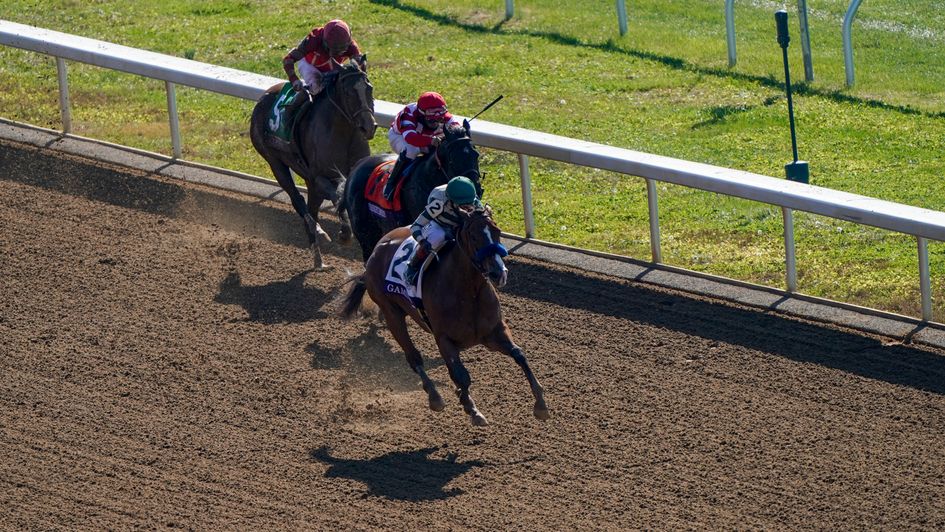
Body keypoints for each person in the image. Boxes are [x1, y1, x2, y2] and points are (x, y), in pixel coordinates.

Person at [383, 91, 462, 201]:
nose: (436, 120)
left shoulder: (444, 116)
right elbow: (410, 137)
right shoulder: (409, 114)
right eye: (431, 116)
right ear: (421, 113)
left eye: (439, 115)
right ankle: (392, 183)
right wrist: (430, 141)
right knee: (411, 150)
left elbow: (456, 128)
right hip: (400, 136)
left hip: (426, 137)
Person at [403, 176, 483, 285]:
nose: (467, 207)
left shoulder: (475, 203)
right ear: (450, 200)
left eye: (469, 203)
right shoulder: (439, 203)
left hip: (461, 225)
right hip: (439, 224)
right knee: (437, 236)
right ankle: (412, 266)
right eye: (462, 204)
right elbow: (416, 226)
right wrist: (422, 241)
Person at [282, 19, 362, 111]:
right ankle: (291, 112)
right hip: (309, 65)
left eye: (342, 50)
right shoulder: (314, 38)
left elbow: (360, 70)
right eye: (332, 49)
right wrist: (294, 79)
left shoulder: (352, 47)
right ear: (324, 41)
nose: (335, 54)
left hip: (333, 69)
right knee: (317, 86)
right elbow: (288, 59)